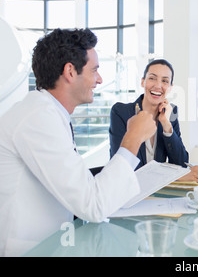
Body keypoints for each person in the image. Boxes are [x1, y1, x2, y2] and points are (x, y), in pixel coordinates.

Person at [0, 28, 157, 256]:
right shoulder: (37, 118)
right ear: (70, 72)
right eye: (94, 70)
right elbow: (92, 205)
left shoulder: (47, 113)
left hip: (54, 244)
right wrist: (133, 139)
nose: (100, 79)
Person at [109, 59, 198, 182]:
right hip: (128, 193)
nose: (158, 85)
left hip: (157, 194)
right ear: (142, 82)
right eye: (152, 78)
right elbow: (125, 169)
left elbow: (181, 162)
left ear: (170, 87)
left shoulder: (170, 112)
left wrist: (166, 125)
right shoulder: (121, 112)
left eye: (165, 81)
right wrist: (176, 177)